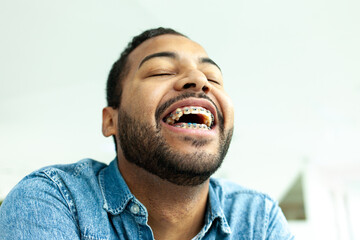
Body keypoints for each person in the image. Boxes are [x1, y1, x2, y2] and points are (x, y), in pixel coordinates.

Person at [0, 27, 294, 240]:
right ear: (110, 121)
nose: (198, 80)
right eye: (161, 71)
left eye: (213, 77)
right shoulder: (55, 199)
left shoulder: (258, 218)